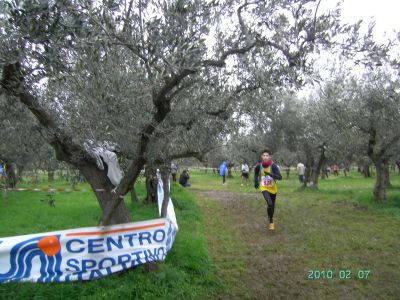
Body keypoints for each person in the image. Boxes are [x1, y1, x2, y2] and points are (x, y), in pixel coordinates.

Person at [254, 149, 282, 231]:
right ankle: (271, 222)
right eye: (264, 155)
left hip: (273, 188)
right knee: (269, 203)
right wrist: (256, 182)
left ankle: (271, 218)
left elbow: (280, 177)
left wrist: (269, 174)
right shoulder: (259, 166)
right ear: (261, 156)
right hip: (264, 187)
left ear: (269, 157)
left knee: (272, 205)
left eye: (267, 156)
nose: (265, 157)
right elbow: (256, 173)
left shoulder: (273, 166)